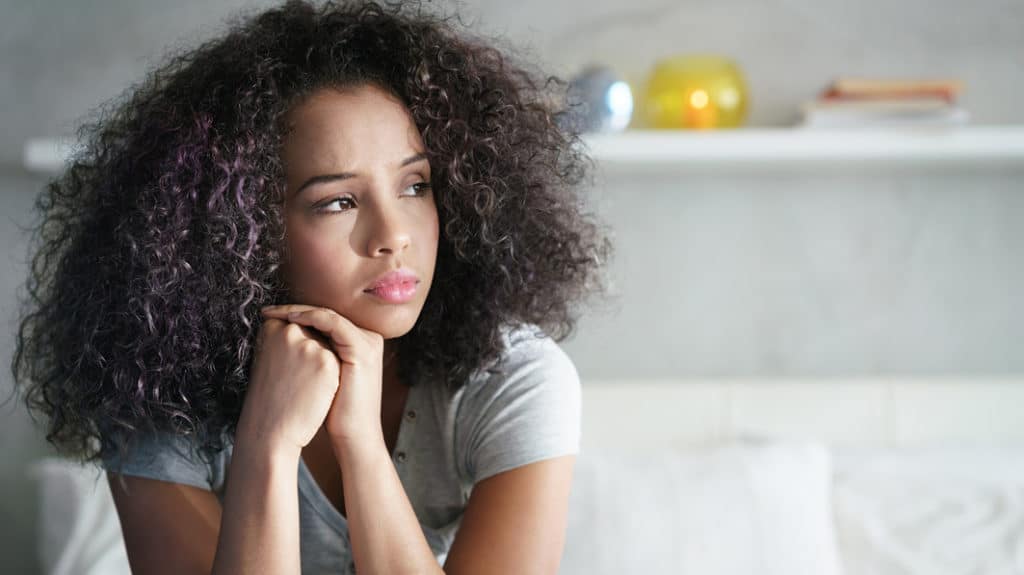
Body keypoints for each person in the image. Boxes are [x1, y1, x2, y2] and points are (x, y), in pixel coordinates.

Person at [10, 0, 611, 573]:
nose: (393, 236)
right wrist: (267, 444)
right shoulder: (156, 390)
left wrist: (360, 441)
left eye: (414, 186)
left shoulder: (515, 379)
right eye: (339, 201)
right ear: (238, 231)